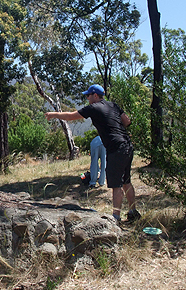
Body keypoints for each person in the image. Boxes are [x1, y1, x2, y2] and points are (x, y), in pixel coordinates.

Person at [45, 84, 141, 223]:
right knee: (126, 181)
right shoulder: (113, 105)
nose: (87, 98)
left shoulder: (94, 107)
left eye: (88, 95)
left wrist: (54, 114)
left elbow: (72, 116)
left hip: (116, 148)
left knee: (116, 184)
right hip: (127, 145)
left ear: (95, 95)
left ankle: (116, 218)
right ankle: (133, 212)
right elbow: (127, 121)